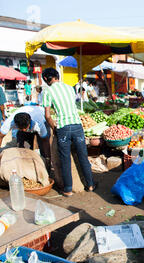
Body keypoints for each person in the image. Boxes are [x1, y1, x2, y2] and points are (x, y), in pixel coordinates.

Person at [41, 67, 96, 197]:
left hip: (63, 128)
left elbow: (47, 115)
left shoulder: (48, 91)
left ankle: (68, 189)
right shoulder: (69, 88)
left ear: (46, 79)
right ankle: (90, 184)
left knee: (65, 159)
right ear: (57, 76)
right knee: (83, 156)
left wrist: (54, 128)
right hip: (77, 126)